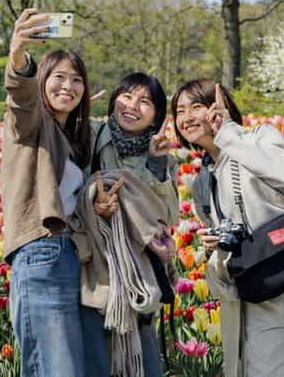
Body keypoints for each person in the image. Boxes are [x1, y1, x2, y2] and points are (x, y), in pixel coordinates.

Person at [171, 79, 284, 377]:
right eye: (179, 111)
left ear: (220, 108)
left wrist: (227, 132)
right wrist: (215, 243)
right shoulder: (201, 183)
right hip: (260, 287)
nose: (187, 118)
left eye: (196, 106)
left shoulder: (260, 137)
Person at [2, 8, 91, 377]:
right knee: (57, 369)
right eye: (57, 77)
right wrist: (19, 55)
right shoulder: (31, 123)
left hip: (67, 255)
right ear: (41, 81)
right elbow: (20, 99)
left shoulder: (69, 136)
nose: (67, 86)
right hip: (41, 250)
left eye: (76, 79)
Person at [80, 73, 179, 377]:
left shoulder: (163, 158)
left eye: (144, 101)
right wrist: (94, 202)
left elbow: (168, 217)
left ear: (156, 117)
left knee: (144, 363)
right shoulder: (90, 135)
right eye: (126, 96)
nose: (132, 105)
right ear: (113, 101)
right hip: (96, 272)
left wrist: (156, 164)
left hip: (138, 273)